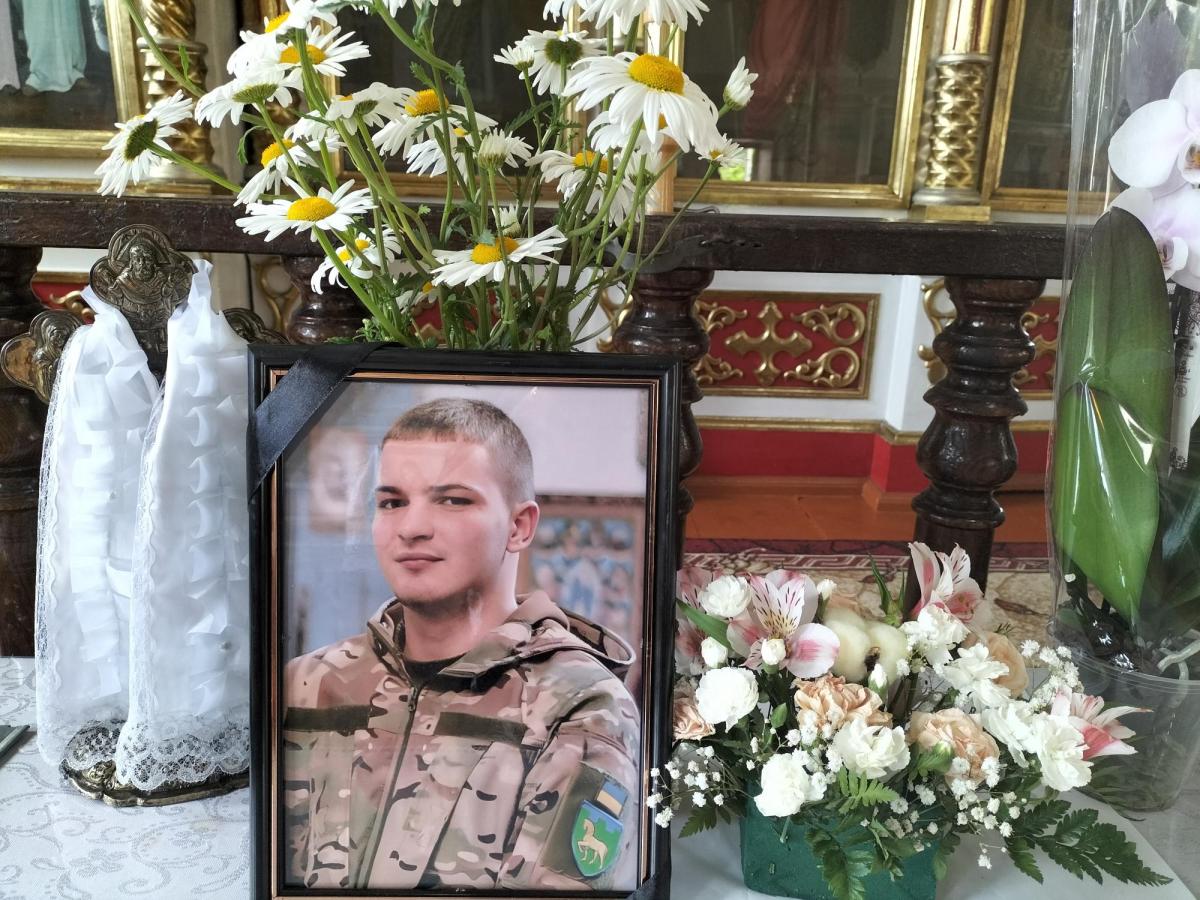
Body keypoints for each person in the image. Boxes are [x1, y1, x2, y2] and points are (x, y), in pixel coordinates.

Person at [282, 398, 641, 892]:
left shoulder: (579, 706)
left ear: (518, 526)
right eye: (392, 502)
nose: (411, 527)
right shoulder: (306, 684)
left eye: (452, 500)